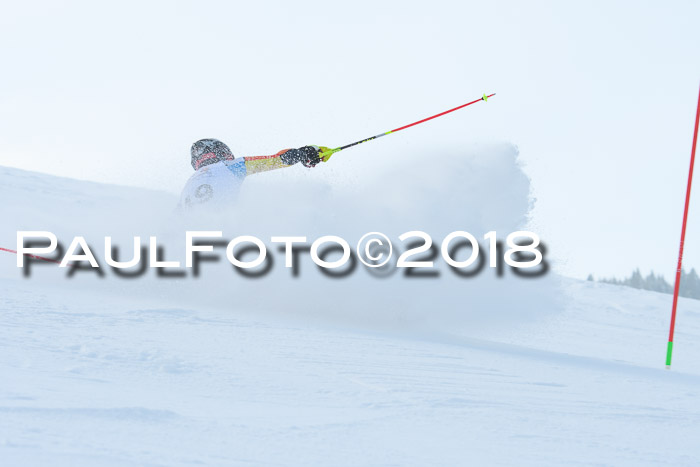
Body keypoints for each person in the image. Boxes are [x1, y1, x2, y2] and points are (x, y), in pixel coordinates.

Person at [179, 138, 331, 208]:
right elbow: (277, 160)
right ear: (222, 153)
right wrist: (306, 153)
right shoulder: (232, 166)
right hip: (222, 232)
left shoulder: (188, 185)